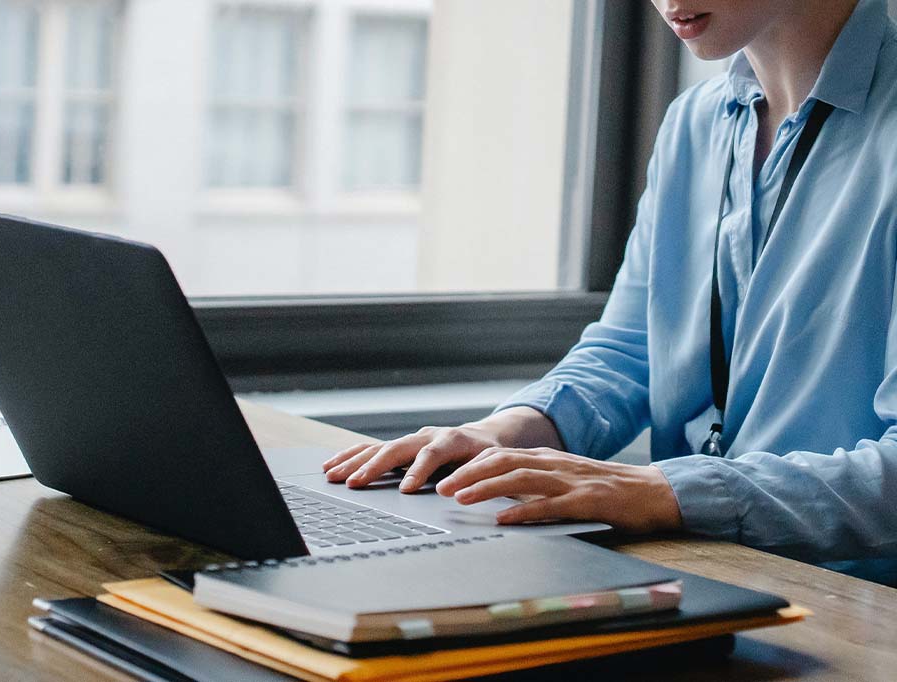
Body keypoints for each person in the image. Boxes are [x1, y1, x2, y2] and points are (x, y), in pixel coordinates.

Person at [322, 0, 897, 580]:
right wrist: (502, 433)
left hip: (857, 610)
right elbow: (633, 349)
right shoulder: (694, 123)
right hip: (702, 569)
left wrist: (664, 492)